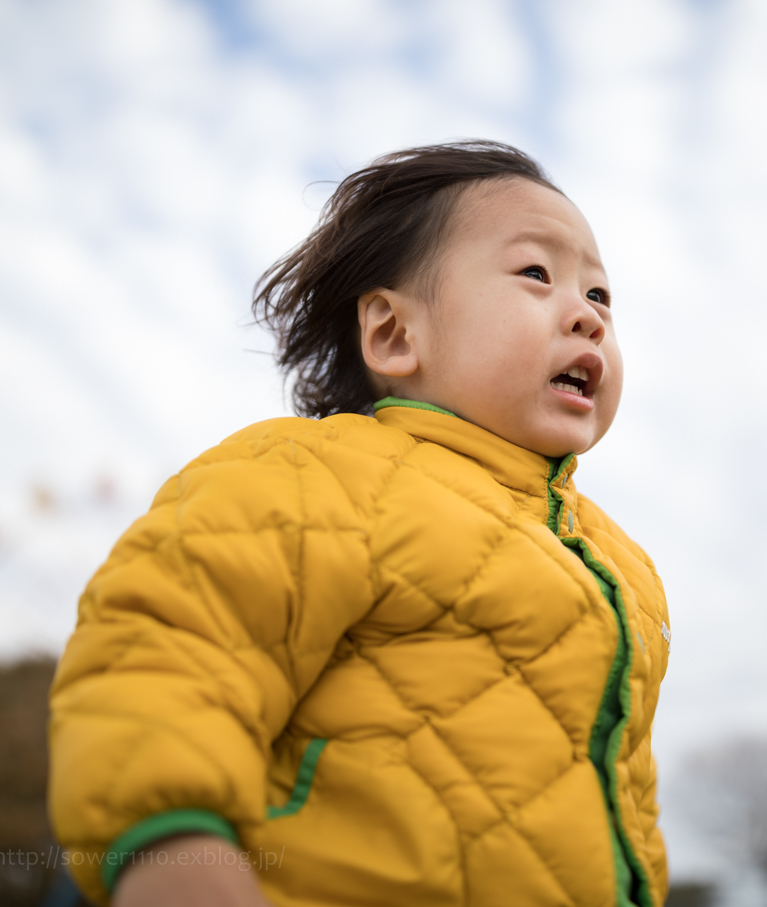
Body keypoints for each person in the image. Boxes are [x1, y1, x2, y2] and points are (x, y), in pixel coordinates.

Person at [48, 141, 671, 907]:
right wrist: (174, 853)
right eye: (537, 274)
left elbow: (631, 814)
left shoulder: (626, 574)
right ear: (394, 335)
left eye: (601, 296)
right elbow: (166, 651)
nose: (588, 316)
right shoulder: (314, 473)